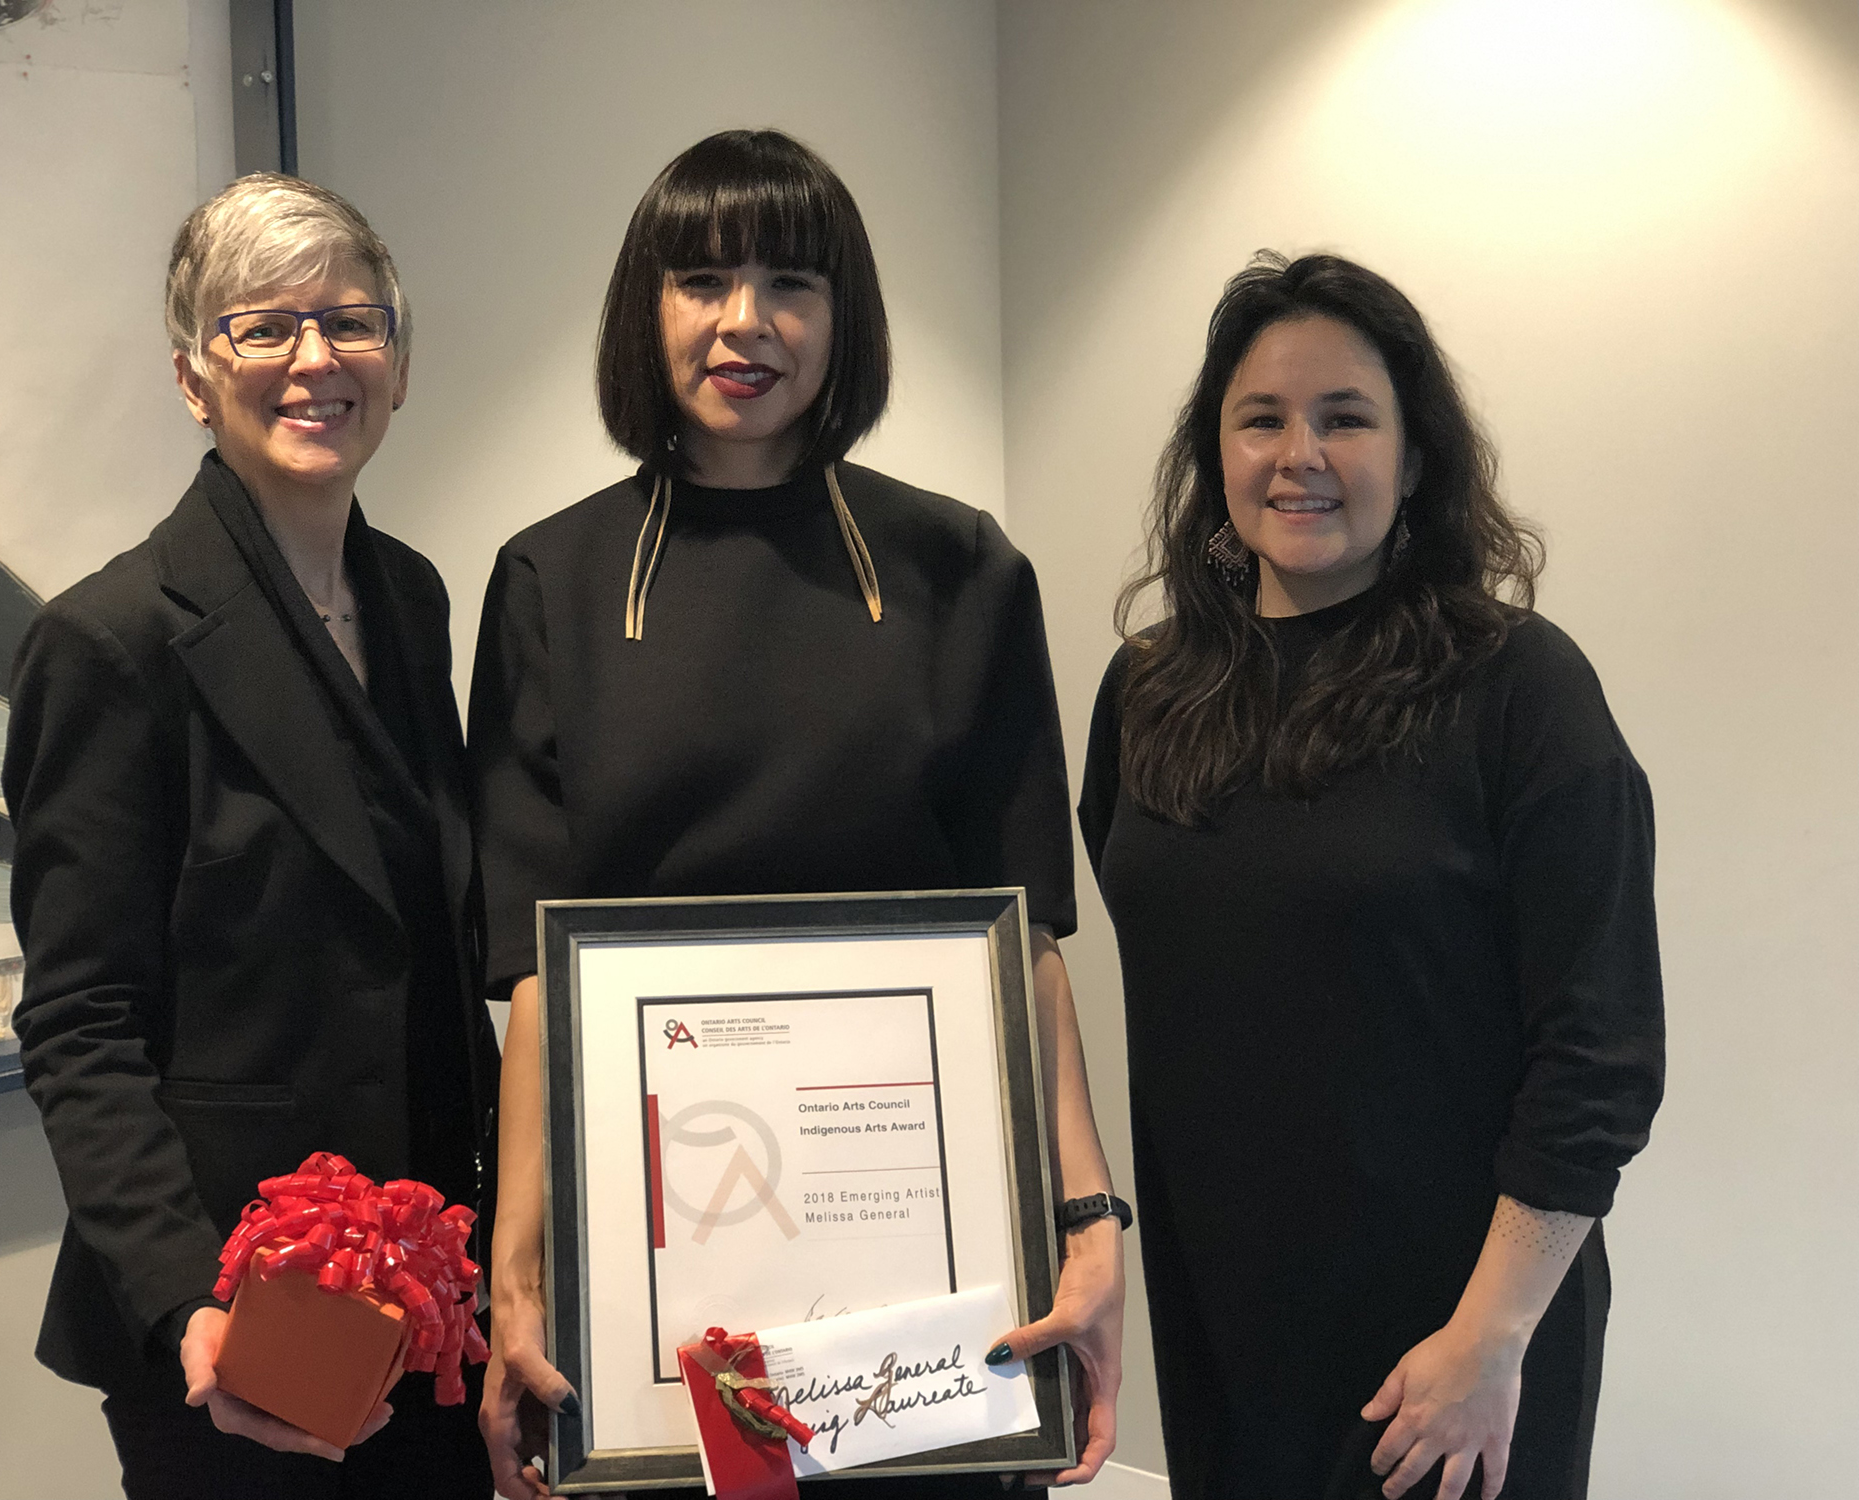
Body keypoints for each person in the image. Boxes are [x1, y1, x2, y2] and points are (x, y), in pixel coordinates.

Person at [469, 129, 1125, 1500]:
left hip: (926, 1280)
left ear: (847, 318)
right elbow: (534, 979)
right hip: (650, 1279)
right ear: (644, 312)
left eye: (792, 284)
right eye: (701, 281)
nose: (744, 323)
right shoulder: (553, 581)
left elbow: (1029, 942)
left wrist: (1086, 1221)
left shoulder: (962, 569)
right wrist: (514, 1282)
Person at [1079, 252, 1666, 1500]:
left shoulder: (1517, 686)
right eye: (1261, 419)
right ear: (1213, 453)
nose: (1300, 453)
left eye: (1344, 417)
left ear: (1414, 457)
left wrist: (1489, 1338)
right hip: (1224, 1319)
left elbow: (1600, 1053)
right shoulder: (1146, 692)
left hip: (1449, 1339)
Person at [3, 174, 500, 1499]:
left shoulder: (412, 597)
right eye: (260, 329)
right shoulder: (110, 642)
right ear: (191, 378)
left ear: (397, 361)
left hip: (430, 1303)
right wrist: (185, 1308)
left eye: (350, 321)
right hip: (230, 1331)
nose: (315, 361)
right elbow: (82, 1022)